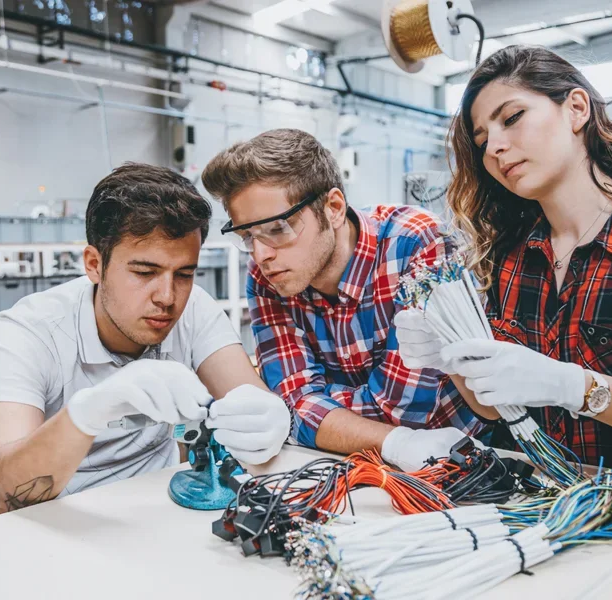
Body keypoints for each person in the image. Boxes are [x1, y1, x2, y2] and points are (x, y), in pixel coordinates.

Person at [396, 46, 612, 478]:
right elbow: (493, 410)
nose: (495, 146)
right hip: (534, 498)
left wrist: (574, 387)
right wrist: (450, 357)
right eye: (481, 141)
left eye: (512, 118)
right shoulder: (509, 252)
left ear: (575, 108)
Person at [0, 164, 290, 516]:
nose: (167, 297)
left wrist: (268, 421)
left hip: (155, 515)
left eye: (184, 274)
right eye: (144, 272)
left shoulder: (194, 310)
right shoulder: (27, 333)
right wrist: (87, 414)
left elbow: (249, 399)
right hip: (55, 525)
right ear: (94, 264)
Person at [201, 129, 482, 473]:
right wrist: (300, 408)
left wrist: (313, 409)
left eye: (277, 229)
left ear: (333, 208)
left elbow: (401, 410)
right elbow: (292, 404)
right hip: (343, 464)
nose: (261, 254)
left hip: (456, 465)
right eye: (247, 236)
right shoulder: (265, 276)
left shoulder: (416, 243)